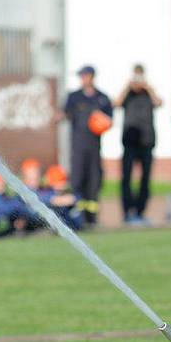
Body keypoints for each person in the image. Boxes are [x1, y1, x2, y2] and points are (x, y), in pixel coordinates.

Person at [61, 65, 113, 226]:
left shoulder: (102, 98)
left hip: (94, 147)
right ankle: (77, 216)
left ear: (92, 76)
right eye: (81, 76)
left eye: (86, 75)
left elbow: (110, 120)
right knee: (77, 179)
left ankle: (92, 218)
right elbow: (65, 114)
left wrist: (102, 120)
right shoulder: (74, 97)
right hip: (78, 146)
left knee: (94, 180)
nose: (84, 78)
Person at [114, 64, 162, 225]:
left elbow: (159, 102)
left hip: (147, 141)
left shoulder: (148, 93)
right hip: (129, 143)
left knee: (145, 179)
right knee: (126, 178)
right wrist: (127, 87)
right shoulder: (128, 94)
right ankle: (128, 212)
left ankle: (140, 212)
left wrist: (149, 87)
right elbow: (116, 103)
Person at [43, 164, 83, 230]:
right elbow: (46, 198)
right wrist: (55, 200)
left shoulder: (72, 196)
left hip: (71, 225)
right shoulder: (47, 193)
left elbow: (78, 222)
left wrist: (72, 200)